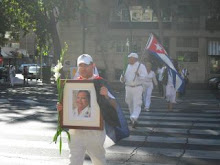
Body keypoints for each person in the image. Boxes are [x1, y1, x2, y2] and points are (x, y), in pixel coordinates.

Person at [57, 54, 118, 165]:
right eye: (80, 65)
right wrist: (61, 108)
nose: (83, 68)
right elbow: (67, 106)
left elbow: (114, 105)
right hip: (75, 131)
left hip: (95, 131)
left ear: (93, 65)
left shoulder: (100, 82)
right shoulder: (72, 84)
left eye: (86, 65)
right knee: (74, 161)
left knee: (98, 160)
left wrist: (106, 96)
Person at [120, 52, 147, 128]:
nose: (129, 59)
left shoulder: (141, 66)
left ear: (135, 59)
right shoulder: (127, 66)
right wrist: (122, 79)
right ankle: (133, 119)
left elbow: (145, 77)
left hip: (137, 87)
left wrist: (139, 75)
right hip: (128, 87)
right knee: (129, 103)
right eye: (129, 58)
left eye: (131, 58)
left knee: (137, 103)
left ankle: (134, 117)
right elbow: (122, 78)